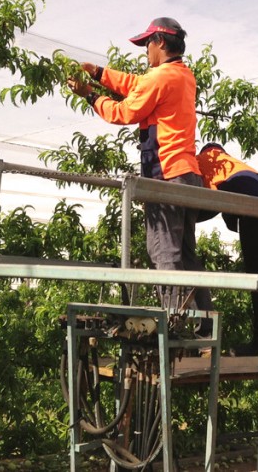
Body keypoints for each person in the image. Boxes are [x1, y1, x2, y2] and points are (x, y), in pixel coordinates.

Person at [67, 17, 210, 312]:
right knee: (186, 255)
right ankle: (204, 324)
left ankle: (176, 328)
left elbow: (123, 112)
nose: (144, 50)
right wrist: (98, 73)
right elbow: (137, 84)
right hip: (187, 175)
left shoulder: (160, 78)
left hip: (166, 177)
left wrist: (90, 95)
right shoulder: (182, 75)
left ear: (159, 42)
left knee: (163, 253)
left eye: (147, 43)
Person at [195, 143, 258, 355]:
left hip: (255, 211)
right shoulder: (239, 166)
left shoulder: (205, 161)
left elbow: (208, 202)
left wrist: (187, 219)